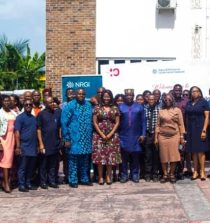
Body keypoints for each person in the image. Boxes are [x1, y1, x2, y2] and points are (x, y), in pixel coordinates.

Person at [61, 88, 93, 188]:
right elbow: (64, 122)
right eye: (79, 94)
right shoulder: (69, 106)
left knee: (85, 160)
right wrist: (66, 138)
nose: (81, 95)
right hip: (74, 138)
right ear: (75, 95)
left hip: (86, 138)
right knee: (73, 160)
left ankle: (84, 179)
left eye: (83, 94)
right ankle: (73, 180)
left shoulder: (88, 105)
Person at [92, 90, 121, 185]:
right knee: (100, 158)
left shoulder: (115, 108)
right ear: (102, 97)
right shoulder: (97, 108)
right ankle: (100, 177)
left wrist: (110, 134)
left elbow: (117, 122)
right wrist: (102, 134)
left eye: (108, 96)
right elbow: (95, 122)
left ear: (111, 97)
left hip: (112, 136)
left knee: (110, 158)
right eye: (105, 96)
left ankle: (109, 176)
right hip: (99, 136)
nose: (106, 98)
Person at [155, 93, 185, 184]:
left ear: (172, 100)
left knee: (174, 156)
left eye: (169, 99)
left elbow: (181, 124)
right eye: (166, 99)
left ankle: (171, 174)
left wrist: (181, 136)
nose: (167, 101)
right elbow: (158, 125)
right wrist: (156, 137)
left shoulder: (177, 110)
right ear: (163, 101)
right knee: (163, 156)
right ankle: (165, 174)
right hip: (162, 136)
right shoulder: (161, 111)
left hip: (174, 136)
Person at [118, 89, 146, 183]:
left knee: (135, 156)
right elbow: (117, 122)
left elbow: (143, 121)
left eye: (131, 95)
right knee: (124, 157)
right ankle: (124, 174)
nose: (129, 96)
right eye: (127, 95)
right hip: (123, 135)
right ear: (125, 96)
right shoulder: (120, 107)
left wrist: (143, 134)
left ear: (133, 96)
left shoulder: (139, 107)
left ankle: (134, 174)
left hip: (136, 135)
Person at [185, 86, 209, 181]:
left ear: (199, 92)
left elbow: (207, 117)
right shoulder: (189, 103)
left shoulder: (204, 102)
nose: (194, 93)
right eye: (192, 91)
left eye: (196, 91)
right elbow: (186, 116)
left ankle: (202, 171)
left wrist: (204, 130)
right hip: (190, 129)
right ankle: (195, 171)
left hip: (200, 128)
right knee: (193, 151)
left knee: (201, 151)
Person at [37, 96, 61, 189]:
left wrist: (59, 139)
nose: (52, 104)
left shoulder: (56, 113)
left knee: (53, 165)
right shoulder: (41, 114)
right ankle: (43, 182)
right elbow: (38, 130)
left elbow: (59, 127)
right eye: (50, 102)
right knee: (43, 164)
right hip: (45, 143)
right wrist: (41, 144)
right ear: (45, 104)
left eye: (52, 102)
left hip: (54, 143)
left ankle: (52, 181)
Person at [15, 99, 38, 192]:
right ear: (24, 106)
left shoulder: (33, 118)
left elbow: (36, 132)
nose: (28, 106)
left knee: (30, 167)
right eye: (26, 104)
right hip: (24, 146)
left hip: (33, 146)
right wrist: (18, 146)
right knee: (23, 167)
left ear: (32, 106)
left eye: (30, 104)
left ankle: (28, 183)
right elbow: (17, 132)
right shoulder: (20, 118)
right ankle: (21, 185)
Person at [173, 84, 192, 178]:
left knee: (181, 151)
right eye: (176, 90)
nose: (177, 92)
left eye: (179, 90)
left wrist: (187, 130)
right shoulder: (170, 101)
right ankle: (173, 171)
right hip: (172, 131)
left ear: (181, 91)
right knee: (173, 151)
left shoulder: (186, 102)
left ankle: (180, 171)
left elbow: (188, 116)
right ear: (173, 90)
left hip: (183, 131)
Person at [0, 95, 16, 193]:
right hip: (3, 139)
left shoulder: (13, 112)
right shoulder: (0, 113)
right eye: (5, 101)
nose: (6, 102)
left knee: (9, 161)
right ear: (2, 102)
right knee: (5, 161)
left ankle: (4, 181)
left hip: (12, 138)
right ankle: (6, 184)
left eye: (8, 101)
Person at [144, 94, 160, 182]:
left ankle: (155, 174)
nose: (151, 101)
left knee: (156, 156)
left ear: (155, 100)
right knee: (148, 156)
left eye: (153, 99)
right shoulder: (144, 109)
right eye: (150, 99)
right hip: (147, 134)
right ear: (147, 100)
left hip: (156, 134)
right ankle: (147, 174)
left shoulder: (159, 109)